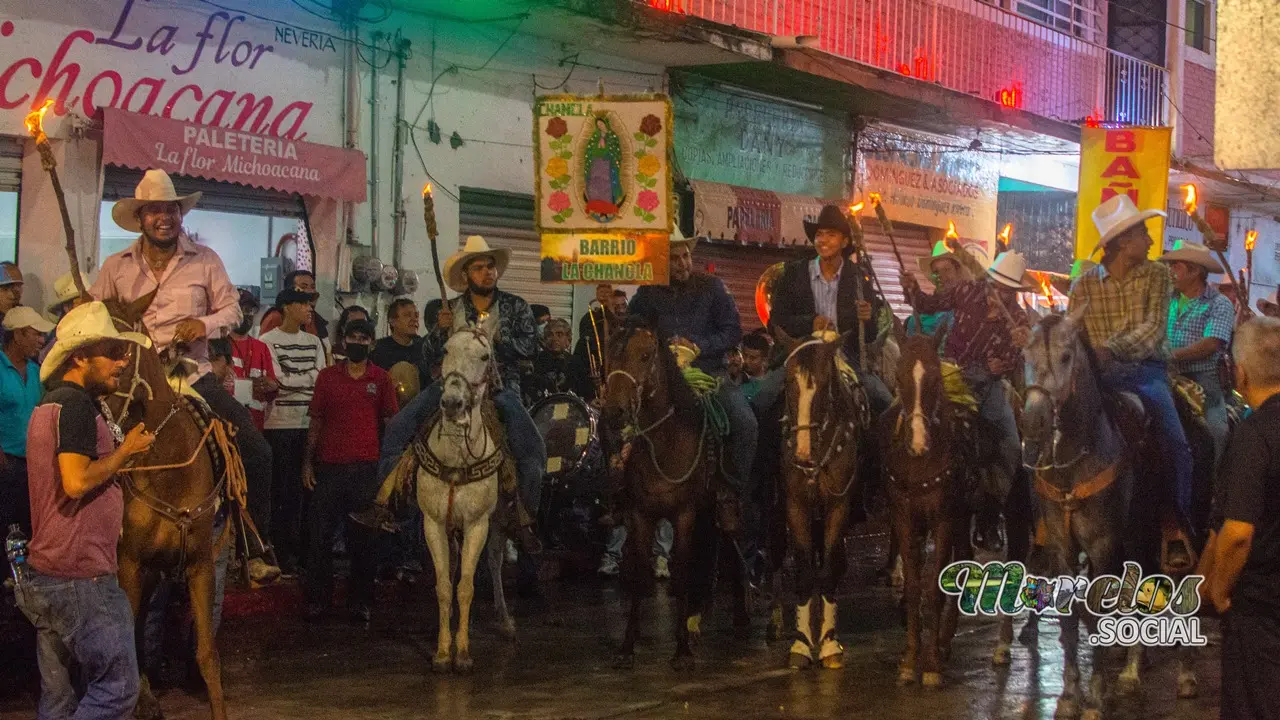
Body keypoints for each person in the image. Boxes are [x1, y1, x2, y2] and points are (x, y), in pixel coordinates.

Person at [90, 168, 280, 583]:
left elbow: (231, 310)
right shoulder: (114, 267)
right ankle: (87, 545)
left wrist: (204, 324)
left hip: (191, 378)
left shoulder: (206, 260)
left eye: (171, 210)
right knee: (83, 444)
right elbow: (94, 318)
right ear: (140, 218)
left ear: (180, 214)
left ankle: (253, 544)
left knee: (255, 450)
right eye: (154, 211)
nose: (164, 218)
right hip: (133, 383)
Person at [357, 235, 545, 558]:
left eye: (490, 267)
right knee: (399, 427)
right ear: (467, 275)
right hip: (452, 387)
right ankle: (385, 503)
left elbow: (531, 348)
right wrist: (437, 332)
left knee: (532, 449)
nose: (487, 272)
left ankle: (523, 518)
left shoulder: (516, 307)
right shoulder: (452, 309)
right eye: (479, 268)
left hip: (498, 388)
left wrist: (499, 339)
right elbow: (428, 356)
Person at [16, 301, 155, 719]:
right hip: (81, 577)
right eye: (112, 352)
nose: (122, 361)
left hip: (50, 570)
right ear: (80, 357)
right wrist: (126, 451)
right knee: (118, 689)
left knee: (58, 700)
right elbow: (75, 482)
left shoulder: (50, 405)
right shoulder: (75, 405)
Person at [1070, 194, 1195, 570]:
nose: (1151, 241)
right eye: (1143, 233)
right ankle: (1045, 532)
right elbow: (1072, 335)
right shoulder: (1082, 286)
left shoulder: (1157, 275)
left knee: (1177, 444)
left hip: (1146, 373)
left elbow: (1154, 329)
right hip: (1097, 377)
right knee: (1049, 433)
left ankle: (1175, 525)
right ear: (1123, 241)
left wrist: (1109, 348)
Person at [629, 228, 755, 525]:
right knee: (619, 422)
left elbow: (732, 331)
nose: (682, 263)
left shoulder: (713, 288)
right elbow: (631, 328)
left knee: (745, 423)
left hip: (710, 375)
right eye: (674, 258)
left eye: (686, 256)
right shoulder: (647, 294)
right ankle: (619, 493)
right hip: (662, 379)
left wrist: (698, 346)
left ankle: (731, 493)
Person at [1198, 317, 1280, 720]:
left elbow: (1237, 535)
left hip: (1262, 614)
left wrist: (1219, 591)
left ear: (1240, 373)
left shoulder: (1253, 435)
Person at [901, 245, 1031, 488]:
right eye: (996, 286)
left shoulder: (1019, 319)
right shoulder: (966, 292)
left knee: (1011, 444)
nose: (998, 295)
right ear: (989, 280)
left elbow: (1013, 359)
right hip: (952, 373)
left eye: (1006, 291)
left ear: (1013, 291)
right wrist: (913, 290)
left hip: (988, 385)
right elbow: (928, 304)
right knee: (915, 412)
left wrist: (1004, 362)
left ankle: (998, 495)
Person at [302, 319, 397, 622]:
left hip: (365, 470)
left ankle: (361, 602)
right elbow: (315, 420)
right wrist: (307, 461)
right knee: (319, 539)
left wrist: (388, 471)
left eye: (363, 337)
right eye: (352, 337)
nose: (357, 342)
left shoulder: (381, 379)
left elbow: (390, 424)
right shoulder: (327, 378)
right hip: (329, 468)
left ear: (371, 342)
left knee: (364, 541)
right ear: (344, 341)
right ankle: (318, 601)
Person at [770, 204, 892, 414]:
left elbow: (869, 336)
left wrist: (868, 318)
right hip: (800, 355)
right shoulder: (793, 274)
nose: (822, 240)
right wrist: (810, 322)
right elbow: (775, 323)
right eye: (819, 234)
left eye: (831, 235)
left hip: (846, 358)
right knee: (763, 399)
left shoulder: (858, 278)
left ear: (845, 241)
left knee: (884, 403)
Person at [259, 287, 327, 573]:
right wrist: (305, 378)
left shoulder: (314, 342)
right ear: (286, 307)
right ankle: (282, 555)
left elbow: (321, 377)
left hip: (309, 423)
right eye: (302, 303)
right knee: (283, 492)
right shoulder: (266, 342)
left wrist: (291, 380)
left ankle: (306, 555)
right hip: (279, 423)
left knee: (309, 493)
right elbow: (275, 379)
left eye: (309, 303)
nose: (308, 308)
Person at [1161, 241, 1234, 462]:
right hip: (1165, 375)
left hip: (1203, 380)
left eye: (1176, 266)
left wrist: (1170, 355)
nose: (1170, 271)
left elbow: (1211, 343)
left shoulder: (1219, 304)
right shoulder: (1166, 299)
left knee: (1216, 430)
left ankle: (1214, 482)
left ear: (1195, 271)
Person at [0, 307, 54, 535]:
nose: (42, 340)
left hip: (33, 465)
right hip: (5, 464)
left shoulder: (37, 372)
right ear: (18, 334)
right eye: (36, 334)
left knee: (28, 526)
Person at [523, 317, 594, 403]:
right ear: (545, 339)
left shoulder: (576, 363)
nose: (554, 339)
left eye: (559, 334)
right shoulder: (536, 362)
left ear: (568, 340)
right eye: (550, 335)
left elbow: (585, 394)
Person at [370, 297, 427, 386]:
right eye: (407, 315)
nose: (414, 319)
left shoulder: (424, 346)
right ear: (392, 321)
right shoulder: (379, 350)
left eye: (416, 315)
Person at [260, 270, 329, 341]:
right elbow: (264, 348)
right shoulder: (276, 317)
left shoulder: (315, 318)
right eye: (303, 287)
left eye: (313, 287)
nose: (310, 291)